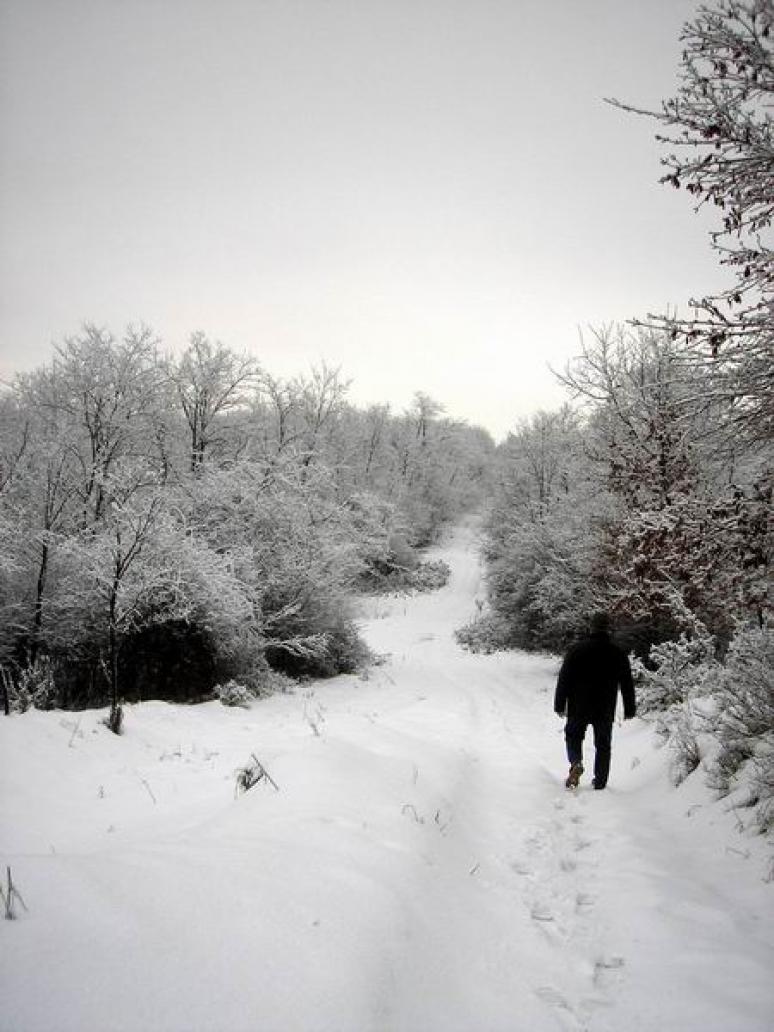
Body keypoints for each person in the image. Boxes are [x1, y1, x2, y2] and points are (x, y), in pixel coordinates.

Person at [554, 611, 636, 790]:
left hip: (578, 705)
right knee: (603, 744)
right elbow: (627, 682)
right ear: (608, 628)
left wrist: (559, 704)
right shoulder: (617, 652)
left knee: (573, 736)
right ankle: (600, 782)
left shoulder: (577, 650)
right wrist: (630, 708)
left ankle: (576, 762)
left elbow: (564, 678)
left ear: (591, 627)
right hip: (604, 706)